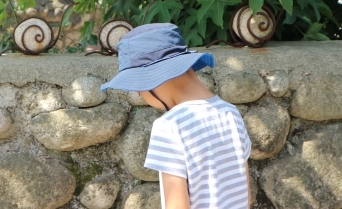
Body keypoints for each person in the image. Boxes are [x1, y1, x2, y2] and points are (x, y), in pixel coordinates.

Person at [100, 23, 252, 209]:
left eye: (138, 89)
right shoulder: (231, 113)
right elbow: (246, 196)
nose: (140, 94)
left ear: (151, 81)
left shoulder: (170, 127)